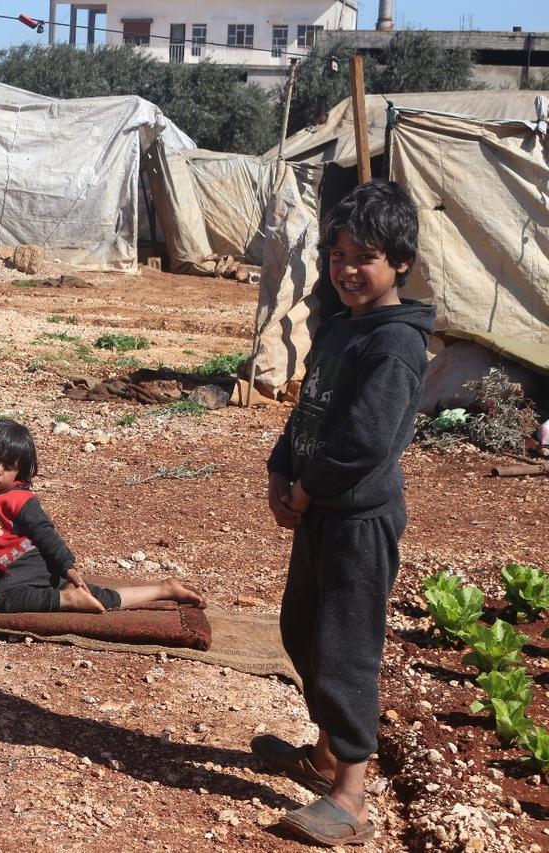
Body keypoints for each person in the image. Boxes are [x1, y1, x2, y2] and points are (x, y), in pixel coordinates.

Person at [254, 180, 435, 847]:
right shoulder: (340, 328)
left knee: (346, 649)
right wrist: (281, 468)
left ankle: (350, 794)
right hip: (321, 511)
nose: (347, 269)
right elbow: (309, 411)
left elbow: (364, 442)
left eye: (365, 257)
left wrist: (307, 488)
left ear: (401, 262)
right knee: (302, 628)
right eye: (338, 255)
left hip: (358, 520)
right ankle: (326, 753)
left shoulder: (396, 345)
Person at [0, 418, 202, 614]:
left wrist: (68, 569)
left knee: (1, 598)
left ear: (19, 473)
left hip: (28, 561)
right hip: (1, 565)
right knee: (96, 597)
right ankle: (164, 589)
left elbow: (46, 535)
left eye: (8, 467)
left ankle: (67, 598)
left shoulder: (20, 499)